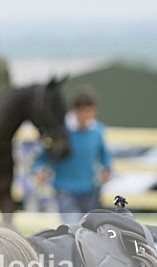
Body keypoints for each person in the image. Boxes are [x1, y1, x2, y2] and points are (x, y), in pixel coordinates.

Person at [31, 88, 111, 224]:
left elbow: (104, 155)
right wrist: (38, 170)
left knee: (90, 228)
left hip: (90, 190)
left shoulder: (97, 131)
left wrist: (106, 169)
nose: (86, 116)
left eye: (89, 112)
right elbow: (41, 158)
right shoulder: (61, 131)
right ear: (74, 111)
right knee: (73, 226)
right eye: (82, 112)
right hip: (65, 189)